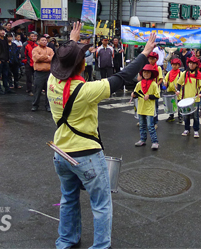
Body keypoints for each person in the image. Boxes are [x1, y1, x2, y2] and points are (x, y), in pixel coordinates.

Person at [48, 22, 156, 249]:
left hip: (61, 152)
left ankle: (66, 240)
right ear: (80, 65)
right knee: (101, 204)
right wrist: (145, 53)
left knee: (68, 199)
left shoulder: (51, 82)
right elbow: (122, 76)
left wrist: (72, 41)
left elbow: (64, 61)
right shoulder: (87, 91)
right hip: (86, 155)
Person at [176, 56, 201, 138]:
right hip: (186, 99)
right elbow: (179, 83)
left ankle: (196, 130)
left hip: (195, 99)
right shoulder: (185, 73)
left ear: (196, 65)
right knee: (186, 115)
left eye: (193, 63)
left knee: (196, 116)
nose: (191, 65)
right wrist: (178, 90)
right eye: (190, 63)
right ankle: (187, 129)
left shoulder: (199, 74)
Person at [132, 64, 161, 149]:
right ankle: (142, 140)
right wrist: (133, 95)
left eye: (148, 72)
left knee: (150, 126)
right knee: (141, 125)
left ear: (151, 74)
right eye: (144, 72)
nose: (146, 74)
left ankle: (155, 142)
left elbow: (157, 95)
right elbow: (136, 93)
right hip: (141, 108)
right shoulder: (139, 84)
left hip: (149, 108)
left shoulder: (154, 84)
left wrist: (149, 96)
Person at [31, 36, 54, 112]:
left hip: (48, 73)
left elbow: (53, 58)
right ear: (38, 41)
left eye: (45, 40)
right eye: (42, 40)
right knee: (37, 90)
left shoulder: (50, 49)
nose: (44, 41)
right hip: (39, 73)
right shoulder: (35, 49)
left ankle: (48, 106)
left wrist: (43, 58)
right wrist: (47, 57)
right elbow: (36, 58)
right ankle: (35, 105)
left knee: (49, 91)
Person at [0, 27, 13, 95]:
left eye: (3, 31)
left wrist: (7, 59)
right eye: (1, 31)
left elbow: (7, 50)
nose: (2, 32)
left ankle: (6, 88)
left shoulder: (5, 39)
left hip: (5, 60)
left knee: (5, 75)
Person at [165, 59, 182, 123]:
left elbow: (183, 82)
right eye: (173, 65)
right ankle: (171, 116)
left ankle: (180, 116)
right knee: (171, 104)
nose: (174, 66)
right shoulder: (169, 73)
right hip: (170, 91)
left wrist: (180, 86)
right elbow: (165, 79)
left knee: (179, 105)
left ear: (178, 65)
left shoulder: (181, 73)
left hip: (178, 92)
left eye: (176, 65)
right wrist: (165, 82)